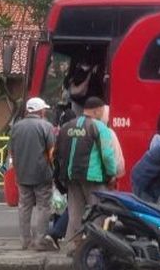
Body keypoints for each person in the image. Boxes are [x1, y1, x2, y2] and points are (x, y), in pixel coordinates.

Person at [54, 97, 118, 252]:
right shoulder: (99, 127)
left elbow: (57, 153)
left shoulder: (67, 127)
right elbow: (108, 155)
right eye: (102, 111)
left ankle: (72, 248)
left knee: (75, 213)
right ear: (97, 110)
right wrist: (112, 174)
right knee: (97, 212)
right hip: (93, 177)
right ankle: (93, 247)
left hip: (71, 176)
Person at [9, 97, 58, 251]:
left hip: (22, 173)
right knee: (43, 207)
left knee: (24, 206)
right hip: (42, 174)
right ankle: (40, 241)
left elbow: (11, 151)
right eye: (44, 109)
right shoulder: (46, 126)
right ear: (40, 111)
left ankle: (25, 240)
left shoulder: (16, 127)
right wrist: (54, 169)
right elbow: (52, 151)